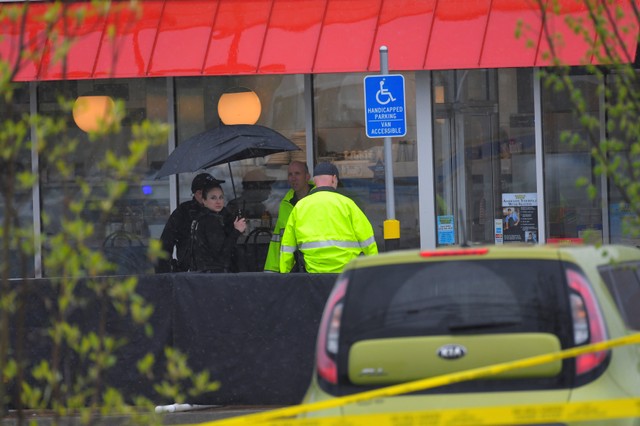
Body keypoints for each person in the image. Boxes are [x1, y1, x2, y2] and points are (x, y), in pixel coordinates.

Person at [279, 162, 378, 274]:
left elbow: (287, 247)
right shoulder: (347, 204)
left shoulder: (300, 207)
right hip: (346, 274)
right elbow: (367, 241)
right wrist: (374, 270)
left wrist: (284, 275)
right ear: (334, 179)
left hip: (314, 276)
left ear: (314, 180)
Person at [156, 173, 225, 273]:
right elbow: (165, 243)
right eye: (212, 193)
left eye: (219, 195)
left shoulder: (223, 212)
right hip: (191, 273)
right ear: (199, 194)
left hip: (220, 273)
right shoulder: (184, 212)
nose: (217, 198)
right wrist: (164, 275)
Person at [263, 161, 314, 272]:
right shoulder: (285, 204)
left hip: (316, 267)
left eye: (297, 173)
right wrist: (271, 270)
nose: (293, 178)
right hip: (294, 269)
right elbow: (278, 241)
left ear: (307, 176)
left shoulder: (319, 200)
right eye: (290, 174)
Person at [190, 181, 247, 272]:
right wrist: (236, 231)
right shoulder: (210, 221)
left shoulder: (200, 218)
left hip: (204, 272)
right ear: (204, 201)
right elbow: (222, 252)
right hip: (214, 274)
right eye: (213, 198)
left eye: (221, 197)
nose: (218, 201)